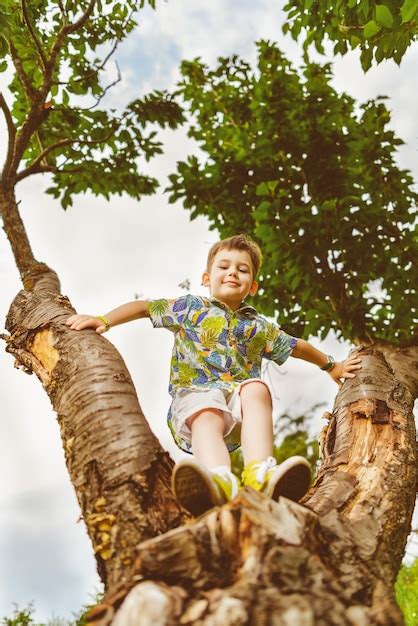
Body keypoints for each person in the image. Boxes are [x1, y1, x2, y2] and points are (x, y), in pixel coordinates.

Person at [66, 234, 362, 516]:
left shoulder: (259, 326)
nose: (233, 272)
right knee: (207, 411)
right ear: (207, 278)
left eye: (242, 270)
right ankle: (218, 479)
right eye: (224, 266)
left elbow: (296, 346)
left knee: (256, 388)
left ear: (253, 286)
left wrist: (331, 366)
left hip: (236, 405)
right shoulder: (189, 308)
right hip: (195, 399)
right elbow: (144, 308)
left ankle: (260, 474)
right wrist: (104, 319)